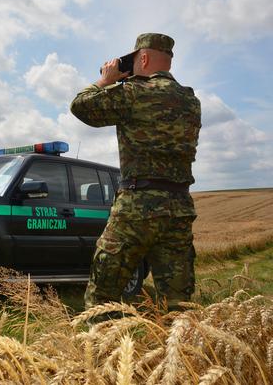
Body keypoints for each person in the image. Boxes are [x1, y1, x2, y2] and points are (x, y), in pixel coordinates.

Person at [70, 33, 201, 311]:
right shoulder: (191, 101)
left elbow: (81, 106)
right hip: (178, 207)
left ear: (142, 57)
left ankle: (97, 347)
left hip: (137, 205)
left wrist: (106, 79)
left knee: (102, 296)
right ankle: (184, 353)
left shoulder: (133, 93)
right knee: (179, 303)